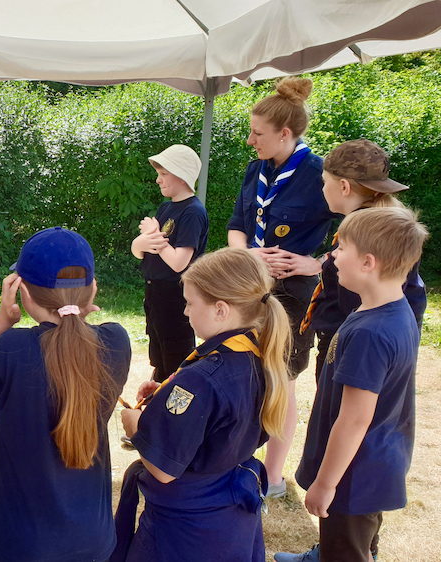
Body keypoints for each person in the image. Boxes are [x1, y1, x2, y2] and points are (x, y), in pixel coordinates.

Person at [0, 227, 131, 562]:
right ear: (92, 289)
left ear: (24, 294)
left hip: (15, 541)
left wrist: (2, 322)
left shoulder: (9, 350)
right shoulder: (116, 342)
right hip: (90, 539)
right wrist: (78, 317)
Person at [116, 247, 291, 562]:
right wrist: (166, 393)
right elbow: (221, 414)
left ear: (221, 309)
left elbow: (164, 468)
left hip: (185, 528)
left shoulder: (202, 379)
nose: (185, 312)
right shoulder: (260, 357)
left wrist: (135, 423)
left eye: (190, 303)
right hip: (229, 516)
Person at [275, 207, 428, 562]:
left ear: (368, 263)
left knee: (345, 550)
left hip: (352, 477)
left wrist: (326, 485)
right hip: (372, 466)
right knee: (356, 541)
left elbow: (355, 419)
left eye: (341, 249)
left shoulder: (371, 333)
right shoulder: (391, 309)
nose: (332, 257)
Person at [226, 77, 336, 497]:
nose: (250, 140)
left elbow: (366, 228)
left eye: (257, 133)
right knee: (247, 370)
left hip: (294, 294)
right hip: (250, 287)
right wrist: (248, 255)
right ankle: (241, 455)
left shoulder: (319, 174)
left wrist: (316, 261)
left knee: (283, 378)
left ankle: (272, 476)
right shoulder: (257, 169)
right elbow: (238, 225)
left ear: (284, 134)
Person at [300, 139, 426, 382]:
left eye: (325, 182)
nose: (323, 189)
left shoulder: (362, 235)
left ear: (344, 187)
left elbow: (355, 303)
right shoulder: (383, 223)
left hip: (352, 349)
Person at [131, 144, 209, 383]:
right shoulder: (167, 207)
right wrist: (143, 241)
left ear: (182, 176)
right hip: (154, 293)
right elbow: (140, 251)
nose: (158, 180)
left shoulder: (193, 212)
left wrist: (157, 239)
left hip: (175, 297)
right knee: (159, 354)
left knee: (176, 355)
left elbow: (179, 262)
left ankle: (173, 396)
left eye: (164, 174)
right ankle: (157, 390)